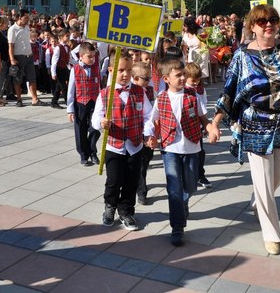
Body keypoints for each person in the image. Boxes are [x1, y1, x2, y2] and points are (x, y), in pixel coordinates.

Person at [208, 4, 280, 256]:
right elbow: (229, 91)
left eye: (272, 20)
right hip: (255, 125)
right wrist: (215, 121)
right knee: (264, 181)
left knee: (277, 176)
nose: (268, 25)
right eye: (262, 21)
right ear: (252, 26)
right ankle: (272, 234)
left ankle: (257, 201)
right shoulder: (242, 56)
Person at [145, 57, 218, 246]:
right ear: (166, 79)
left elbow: (204, 119)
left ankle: (184, 202)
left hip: (192, 147)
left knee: (190, 186)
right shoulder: (161, 98)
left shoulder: (193, 96)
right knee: (173, 188)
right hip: (170, 148)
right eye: (178, 75)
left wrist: (211, 129)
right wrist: (150, 135)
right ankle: (177, 227)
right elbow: (152, 121)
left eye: (184, 74)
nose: (183, 78)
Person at [91, 50, 153, 231]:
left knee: (131, 181)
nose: (125, 74)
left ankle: (126, 210)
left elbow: (148, 116)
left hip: (134, 146)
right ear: (111, 70)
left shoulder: (139, 92)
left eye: (128, 70)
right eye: (120, 70)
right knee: (114, 180)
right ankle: (110, 205)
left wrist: (147, 132)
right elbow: (96, 117)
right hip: (114, 146)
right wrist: (102, 123)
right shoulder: (105, 94)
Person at [67, 42, 101, 166]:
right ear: (81, 56)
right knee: (80, 129)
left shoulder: (96, 68)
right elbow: (71, 91)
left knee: (95, 128)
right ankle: (84, 154)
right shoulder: (74, 70)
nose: (92, 59)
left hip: (94, 102)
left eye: (93, 56)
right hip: (80, 102)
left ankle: (92, 151)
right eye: (89, 56)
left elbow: (99, 86)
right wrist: (70, 109)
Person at [8, 9, 47, 107]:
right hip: (18, 56)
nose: (27, 19)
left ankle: (35, 99)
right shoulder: (13, 29)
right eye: (25, 17)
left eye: (28, 17)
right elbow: (11, 45)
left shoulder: (27, 27)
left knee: (32, 78)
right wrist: (12, 59)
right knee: (18, 79)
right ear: (19, 17)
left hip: (29, 56)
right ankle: (19, 99)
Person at [185, 61, 212, 187]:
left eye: (198, 80)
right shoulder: (183, 90)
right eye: (193, 80)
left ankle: (200, 175)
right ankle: (188, 176)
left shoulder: (201, 90)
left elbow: (204, 107)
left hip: (198, 126)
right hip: (186, 127)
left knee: (200, 152)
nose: (195, 83)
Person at [132, 60, 155, 205]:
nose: (148, 81)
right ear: (134, 78)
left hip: (147, 131)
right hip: (134, 132)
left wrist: (151, 133)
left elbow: (150, 112)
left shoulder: (148, 90)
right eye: (145, 79)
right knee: (139, 165)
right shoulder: (131, 91)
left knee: (146, 160)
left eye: (149, 78)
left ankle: (139, 183)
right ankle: (141, 191)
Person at [50, 30, 71, 109]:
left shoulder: (68, 47)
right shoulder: (58, 48)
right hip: (58, 69)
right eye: (66, 36)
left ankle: (54, 102)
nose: (68, 37)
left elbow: (69, 58)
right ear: (61, 37)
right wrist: (53, 73)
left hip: (64, 68)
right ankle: (68, 103)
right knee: (63, 87)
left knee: (58, 87)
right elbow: (54, 61)